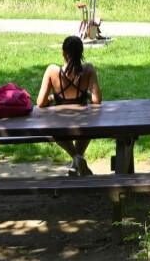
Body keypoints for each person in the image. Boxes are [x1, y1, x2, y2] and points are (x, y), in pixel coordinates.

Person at [36, 35, 102, 176]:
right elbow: (97, 100)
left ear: (63, 53)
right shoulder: (88, 70)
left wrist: (54, 97)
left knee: (54, 131)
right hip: (83, 121)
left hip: (59, 122)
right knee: (89, 128)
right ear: (81, 53)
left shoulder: (52, 71)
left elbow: (40, 102)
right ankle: (77, 159)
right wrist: (86, 94)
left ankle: (75, 158)